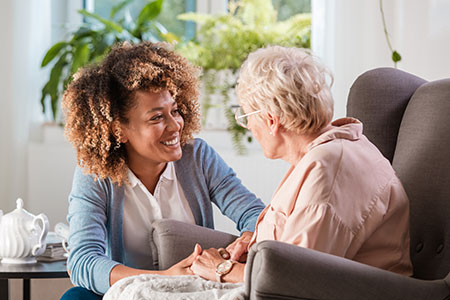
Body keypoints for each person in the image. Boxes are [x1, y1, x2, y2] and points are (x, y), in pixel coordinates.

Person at [188, 45, 413, 283]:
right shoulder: (333, 150)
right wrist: (255, 243)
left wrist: (222, 269)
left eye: (246, 117)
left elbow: (296, 277)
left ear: (271, 120)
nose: (249, 127)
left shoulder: (327, 168)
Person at [60, 41, 265, 299]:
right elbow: (83, 262)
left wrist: (245, 241)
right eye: (156, 117)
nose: (175, 125)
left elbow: (256, 215)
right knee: (75, 297)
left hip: (191, 292)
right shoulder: (95, 174)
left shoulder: (198, 157)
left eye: (175, 111)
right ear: (118, 130)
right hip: (128, 293)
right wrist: (164, 279)